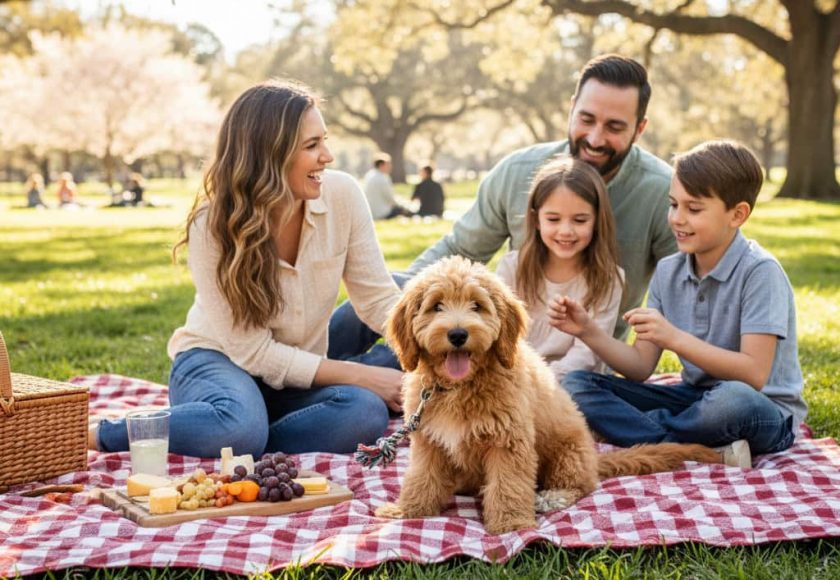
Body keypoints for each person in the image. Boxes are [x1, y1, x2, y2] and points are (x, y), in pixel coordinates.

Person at [90, 79, 404, 458]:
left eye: (325, 140)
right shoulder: (212, 225)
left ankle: (242, 433)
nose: (328, 156)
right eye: (312, 145)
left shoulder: (343, 195)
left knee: (369, 405)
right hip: (219, 360)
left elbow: (377, 299)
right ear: (268, 156)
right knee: (241, 427)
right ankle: (106, 433)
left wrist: (453, 354)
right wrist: (363, 376)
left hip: (298, 363)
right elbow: (255, 353)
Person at [328, 54, 676, 366]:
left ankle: (346, 380)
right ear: (571, 109)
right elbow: (460, 249)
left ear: (640, 128)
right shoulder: (518, 171)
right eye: (586, 119)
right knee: (393, 290)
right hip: (505, 338)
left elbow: (685, 286)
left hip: (578, 353)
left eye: (615, 127)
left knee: (396, 367)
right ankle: (314, 365)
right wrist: (412, 307)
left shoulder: (663, 192)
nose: (596, 138)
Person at [552, 140, 807, 467]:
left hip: (762, 409)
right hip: (693, 401)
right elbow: (641, 367)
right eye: (674, 204)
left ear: (737, 214)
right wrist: (588, 331)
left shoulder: (761, 272)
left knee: (732, 399)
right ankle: (703, 451)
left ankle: (645, 435)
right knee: (575, 385)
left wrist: (673, 338)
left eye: (694, 208)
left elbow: (753, 374)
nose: (677, 219)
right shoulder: (669, 270)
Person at [496, 156, 624, 383]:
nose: (565, 231)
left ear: (596, 220)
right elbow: (499, 336)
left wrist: (544, 383)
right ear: (536, 220)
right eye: (553, 219)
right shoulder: (511, 268)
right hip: (515, 377)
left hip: (572, 382)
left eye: (580, 220)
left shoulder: (609, 278)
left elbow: (586, 355)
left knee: (583, 390)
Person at [362, 152, 414, 219]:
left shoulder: (369, 175)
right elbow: (390, 199)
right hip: (382, 213)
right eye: (388, 164)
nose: (390, 167)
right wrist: (403, 204)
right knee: (405, 210)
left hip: (370, 212)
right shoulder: (383, 178)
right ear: (381, 165)